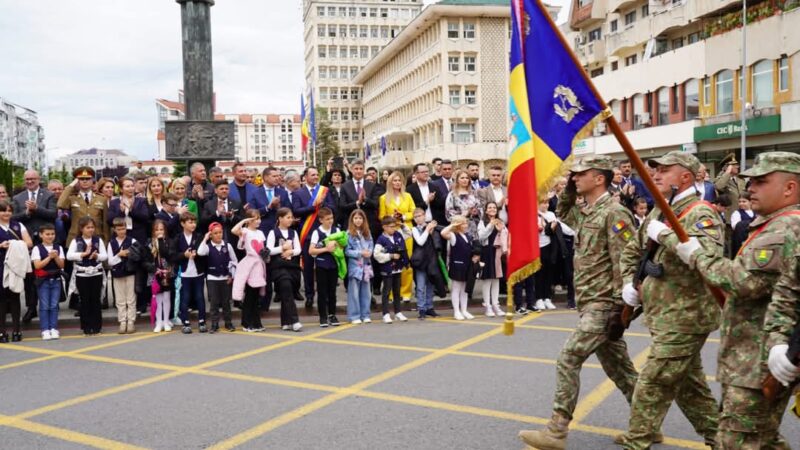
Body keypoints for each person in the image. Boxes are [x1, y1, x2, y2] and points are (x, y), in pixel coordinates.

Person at [670, 151, 800, 449]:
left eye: (761, 181)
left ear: (789, 188)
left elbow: (743, 282)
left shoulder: (785, 228)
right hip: (753, 355)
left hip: (756, 358)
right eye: (750, 181)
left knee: (736, 440)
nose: (750, 188)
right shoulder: (771, 224)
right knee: (762, 438)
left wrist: (697, 256)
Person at [520, 155, 640, 450]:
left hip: (603, 304)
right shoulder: (587, 212)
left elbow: (625, 261)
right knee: (621, 370)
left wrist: (620, 308)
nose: (574, 177)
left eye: (580, 174)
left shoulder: (615, 213)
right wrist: (569, 190)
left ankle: (556, 431)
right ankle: (646, 425)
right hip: (590, 302)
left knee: (568, 358)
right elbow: (563, 212)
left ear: (599, 178)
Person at [618, 151, 721, 449]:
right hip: (663, 314)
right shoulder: (659, 211)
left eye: (665, 170)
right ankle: (723, 440)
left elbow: (708, 259)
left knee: (652, 383)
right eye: (655, 170)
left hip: (686, 316)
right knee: (690, 388)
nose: (656, 175)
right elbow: (632, 250)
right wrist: (628, 282)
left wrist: (666, 236)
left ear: (685, 177)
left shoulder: (700, 213)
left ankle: (637, 441)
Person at [13, 169, 56, 324]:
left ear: (39, 179)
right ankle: (31, 307)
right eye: (27, 179)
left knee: (46, 274)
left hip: (45, 242)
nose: (30, 181)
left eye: (33, 178)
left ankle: (50, 306)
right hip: (27, 242)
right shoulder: (18, 198)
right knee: (29, 277)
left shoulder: (49, 195)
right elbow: (13, 218)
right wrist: (27, 212)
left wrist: (36, 208)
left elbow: (53, 214)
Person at [292, 166, 336, 309]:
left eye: (317, 174)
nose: (316, 177)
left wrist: (322, 205)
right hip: (307, 234)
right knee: (308, 268)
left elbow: (332, 207)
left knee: (325, 266)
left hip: (324, 233)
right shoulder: (298, 193)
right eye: (313, 175)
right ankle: (309, 295)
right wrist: (313, 207)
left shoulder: (324, 191)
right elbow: (296, 211)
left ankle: (326, 295)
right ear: (305, 177)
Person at [378, 171, 416, 303]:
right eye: (395, 180)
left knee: (406, 261)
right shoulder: (383, 198)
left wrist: (403, 216)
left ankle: (406, 292)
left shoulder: (408, 196)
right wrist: (391, 218)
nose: (397, 183)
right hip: (391, 231)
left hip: (406, 231)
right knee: (392, 262)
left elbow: (413, 212)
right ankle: (391, 293)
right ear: (390, 182)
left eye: (399, 180)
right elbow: (381, 216)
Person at [66, 217, 108, 336]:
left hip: (96, 273)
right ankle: (86, 327)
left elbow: (105, 256)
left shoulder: (98, 240)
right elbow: (69, 256)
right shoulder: (76, 241)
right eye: (88, 227)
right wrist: (83, 254)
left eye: (92, 227)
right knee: (85, 300)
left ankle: (97, 327)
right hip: (82, 274)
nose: (91, 230)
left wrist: (97, 256)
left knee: (95, 300)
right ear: (81, 229)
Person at [0, 199, 33, 343]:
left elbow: (29, 242)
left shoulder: (18, 225)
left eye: (9, 211)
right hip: (1, 265)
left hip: (15, 266)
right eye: (3, 210)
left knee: (15, 297)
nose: (6, 213)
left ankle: (16, 331)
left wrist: (13, 244)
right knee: (1, 299)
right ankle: (2, 332)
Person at [266, 208, 303, 332]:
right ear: (280, 218)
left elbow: (298, 249)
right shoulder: (273, 233)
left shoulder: (293, 232)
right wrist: (282, 248)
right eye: (288, 217)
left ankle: (285, 321)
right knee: (286, 288)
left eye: (291, 217)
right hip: (279, 267)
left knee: (287, 293)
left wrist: (290, 252)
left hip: (292, 267)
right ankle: (295, 320)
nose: (290, 220)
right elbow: (269, 250)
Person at [197, 222, 238, 333]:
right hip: (212, 278)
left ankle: (228, 322)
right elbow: (200, 252)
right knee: (214, 303)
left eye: (220, 232)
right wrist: (205, 239)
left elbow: (234, 261)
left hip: (225, 278)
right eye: (215, 233)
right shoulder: (208, 247)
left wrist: (231, 275)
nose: (219, 235)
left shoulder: (227, 246)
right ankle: (214, 324)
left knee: (226, 302)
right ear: (210, 235)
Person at [231, 210, 267, 332]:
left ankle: (256, 323)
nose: (258, 221)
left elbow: (262, 248)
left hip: (259, 265)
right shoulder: (245, 231)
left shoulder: (260, 233)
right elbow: (234, 230)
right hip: (250, 265)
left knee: (256, 296)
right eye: (255, 219)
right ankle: (247, 323)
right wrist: (244, 221)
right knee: (250, 295)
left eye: (259, 218)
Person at [172, 212, 207, 334]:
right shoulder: (178, 238)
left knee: (199, 297)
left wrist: (197, 254)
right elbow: (173, 255)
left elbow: (204, 253)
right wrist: (184, 255)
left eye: (194, 222)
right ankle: (185, 322)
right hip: (184, 274)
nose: (193, 224)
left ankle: (202, 321)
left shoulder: (199, 236)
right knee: (185, 298)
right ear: (182, 224)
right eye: (190, 222)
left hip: (198, 273)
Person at [57, 167, 108, 251]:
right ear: (77, 181)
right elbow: (60, 204)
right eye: (81, 179)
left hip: (96, 238)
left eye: (87, 179)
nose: (85, 181)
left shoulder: (101, 199)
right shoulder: (72, 198)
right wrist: (71, 185)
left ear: (92, 181)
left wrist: (105, 241)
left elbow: (105, 223)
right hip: (76, 238)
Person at [440, 216, 478, 321]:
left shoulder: (467, 236)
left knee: (465, 290)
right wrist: (452, 225)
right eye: (464, 223)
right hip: (457, 265)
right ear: (458, 225)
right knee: (456, 289)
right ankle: (456, 311)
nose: (466, 225)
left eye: (466, 223)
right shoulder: (453, 235)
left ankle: (464, 310)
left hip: (467, 265)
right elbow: (443, 233)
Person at [373, 216, 409, 324]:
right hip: (387, 269)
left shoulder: (398, 234)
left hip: (397, 268)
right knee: (387, 292)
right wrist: (390, 256)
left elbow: (409, 234)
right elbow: (376, 255)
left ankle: (398, 312)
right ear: (384, 227)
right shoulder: (381, 239)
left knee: (397, 291)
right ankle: (386, 314)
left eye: (394, 226)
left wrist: (402, 226)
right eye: (391, 227)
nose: (393, 229)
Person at [309, 207, 341, 327]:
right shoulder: (316, 232)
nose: (330, 221)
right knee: (322, 292)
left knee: (332, 291)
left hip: (333, 264)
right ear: (321, 220)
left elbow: (342, 245)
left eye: (331, 218)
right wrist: (326, 249)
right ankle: (322, 316)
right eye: (327, 219)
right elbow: (311, 250)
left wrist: (338, 245)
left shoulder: (336, 230)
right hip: (321, 265)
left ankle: (332, 314)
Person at [31, 223, 64, 341]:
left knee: (54, 305)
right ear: (41, 235)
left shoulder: (58, 248)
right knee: (44, 305)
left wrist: (56, 257)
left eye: (52, 234)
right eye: (47, 234)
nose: (50, 236)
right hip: (43, 281)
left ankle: (53, 328)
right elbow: (37, 265)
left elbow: (62, 265)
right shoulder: (37, 248)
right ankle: (45, 329)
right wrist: (49, 257)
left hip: (56, 280)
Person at [106, 217, 137, 334]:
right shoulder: (111, 243)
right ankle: (122, 321)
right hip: (117, 274)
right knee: (120, 299)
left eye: (123, 229)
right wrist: (119, 255)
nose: (121, 231)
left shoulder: (132, 241)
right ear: (114, 230)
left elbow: (137, 256)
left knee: (131, 298)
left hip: (130, 272)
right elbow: (110, 262)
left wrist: (129, 254)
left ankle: (131, 321)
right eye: (119, 229)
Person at [477, 202, 507, 317]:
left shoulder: (500, 222)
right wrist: (490, 225)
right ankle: (487, 306)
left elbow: (505, 236)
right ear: (486, 210)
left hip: (497, 252)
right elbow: (481, 237)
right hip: (486, 252)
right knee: (487, 279)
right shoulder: (482, 222)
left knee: (496, 279)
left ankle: (495, 304)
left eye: (494, 207)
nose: (492, 209)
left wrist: (500, 230)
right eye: (489, 207)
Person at [344, 209, 374, 324]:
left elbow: (371, 245)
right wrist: (360, 253)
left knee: (366, 292)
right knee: (354, 293)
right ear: (352, 220)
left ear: (364, 220)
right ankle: (354, 316)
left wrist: (369, 252)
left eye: (360, 218)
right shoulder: (348, 234)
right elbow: (347, 251)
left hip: (366, 266)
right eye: (355, 218)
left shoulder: (367, 232)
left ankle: (365, 314)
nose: (358, 220)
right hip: (355, 267)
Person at [145, 220, 174, 333]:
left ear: (165, 231)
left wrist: (161, 241)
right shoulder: (149, 243)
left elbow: (168, 255)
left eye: (161, 229)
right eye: (156, 230)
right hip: (155, 274)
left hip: (166, 274)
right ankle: (159, 321)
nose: (159, 232)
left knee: (166, 298)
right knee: (157, 299)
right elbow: (146, 260)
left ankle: (166, 321)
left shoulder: (169, 242)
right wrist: (153, 269)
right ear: (153, 231)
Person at [201, 180, 243, 257]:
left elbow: (242, 221)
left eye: (226, 189)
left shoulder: (237, 203)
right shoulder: (209, 204)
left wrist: (232, 217)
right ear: (216, 191)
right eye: (221, 189)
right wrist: (217, 213)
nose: (224, 191)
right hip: (215, 243)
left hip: (233, 240)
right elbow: (203, 221)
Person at [410, 208, 438, 320]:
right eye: (415, 217)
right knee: (421, 286)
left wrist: (432, 229)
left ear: (424, 215)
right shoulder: (414, 229)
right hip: (420, 261)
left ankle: (429, 307)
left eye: (420, 215)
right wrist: (427, 229)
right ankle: (421, 308)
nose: (418, 218)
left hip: (431, 259)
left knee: (430, 285)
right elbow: (420, 241)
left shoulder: (431, 226)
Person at [445, 169, 482, 238]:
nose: (465, 180)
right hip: (459, 227)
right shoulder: (452, 194)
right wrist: (463, 214)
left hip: (474, 227)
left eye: (467, 178)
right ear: (457, 180)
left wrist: (476, 211)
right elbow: (449, 213)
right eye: (462, 178)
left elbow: (480, 208)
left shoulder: (474, 193)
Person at [714, 154, 747, 221]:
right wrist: (727, 172)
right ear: (726, 167)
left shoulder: (741, 180)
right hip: (729, 217)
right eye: (734, 165)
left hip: (743, 216)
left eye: (737, 165)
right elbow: (719, 186)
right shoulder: (721, 180)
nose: (737, 167)